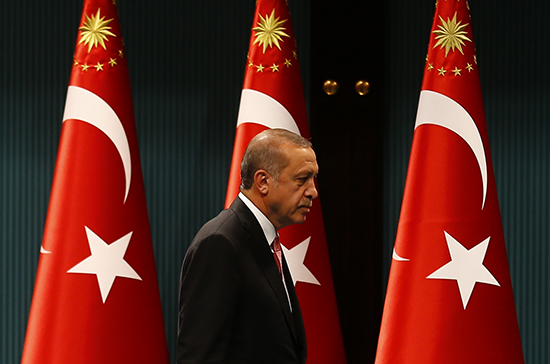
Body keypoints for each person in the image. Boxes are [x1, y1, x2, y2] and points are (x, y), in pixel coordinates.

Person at [177, 128, 318, 364]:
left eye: (313, 179)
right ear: (263, 181)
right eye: (302, 179)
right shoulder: (220, 243)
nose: (313, 191)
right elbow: (199, 357)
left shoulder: (265, 239)